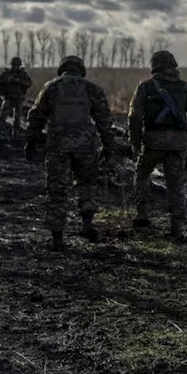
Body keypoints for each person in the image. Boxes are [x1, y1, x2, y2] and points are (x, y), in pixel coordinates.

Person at [24, 55, 117, 250]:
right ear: (81, 69)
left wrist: (31, 139)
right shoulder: (92, 89)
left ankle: (57, 237)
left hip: (58, 146)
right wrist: (109, 146)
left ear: (62, 68)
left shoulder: (51, 87)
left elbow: (36, 116)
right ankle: (87, 224)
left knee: (57, 188)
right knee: (87, 185)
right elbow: (104, 121)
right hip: (86, 146)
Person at [127, 50, 187, 240]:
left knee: (142, 175)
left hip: (152, 142)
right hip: (178, 144)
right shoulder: (186, 88)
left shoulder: (145, 87)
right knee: (175, 184)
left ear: (154, 66)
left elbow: (134, 116)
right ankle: (177, 228)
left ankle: (142, 215)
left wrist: (136, 143)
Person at [0, 57, 33, 138]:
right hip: (8, 97)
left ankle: (15, 134)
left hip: (18, 98)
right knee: (2, 116)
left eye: (17, 65)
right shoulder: (6, 73)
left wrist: (19, 81)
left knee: (17, 118)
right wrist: (8, 80)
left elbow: (29, 83)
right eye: (14, 65)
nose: (15, 67)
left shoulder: (23, 74)